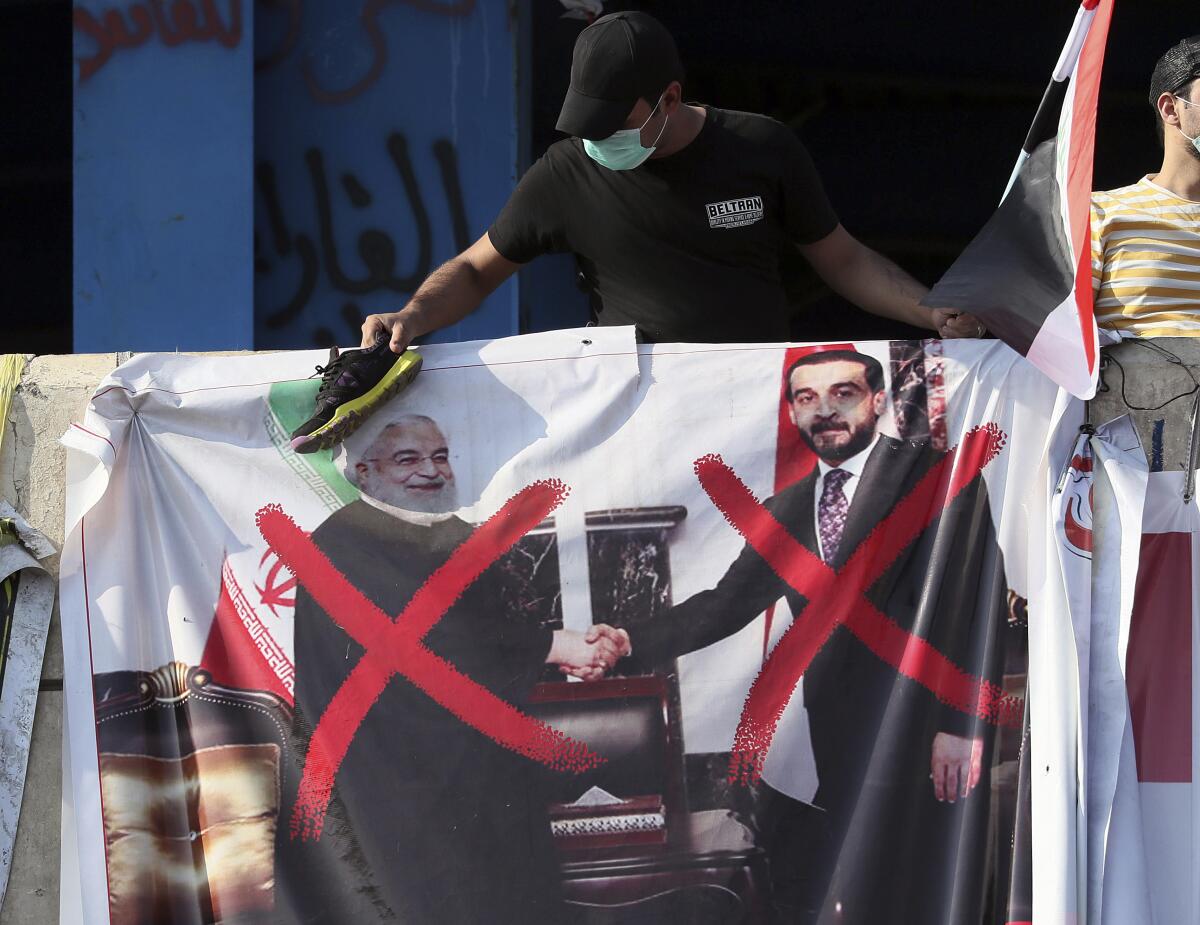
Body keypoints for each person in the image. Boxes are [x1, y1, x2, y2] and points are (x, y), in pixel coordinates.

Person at [609, 350, 1008, 923]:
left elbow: (976, 602)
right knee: (865, 892)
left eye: (842, 393)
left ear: (877, 401)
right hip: (839, 737)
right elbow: (724, 607)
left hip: (928, 731)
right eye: (806, 398)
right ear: (793, 415)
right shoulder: (788, 508)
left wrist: (961, 725)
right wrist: (625, 642)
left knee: (934, 889)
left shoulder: (938, 478)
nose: (825, 410)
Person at [359, 11, 984, 354]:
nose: (599, 140)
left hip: (758, 410)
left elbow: (842, 259)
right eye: (587, 125)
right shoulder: (565, 172)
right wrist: (414, 314)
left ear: (670, 99)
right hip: (641, 425)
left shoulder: (761, 148)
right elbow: (474, 270)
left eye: (614, 124)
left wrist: (928, 310)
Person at [275, 414, 623, 924]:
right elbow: (424, 649)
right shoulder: (340, 546)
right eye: (408, 459)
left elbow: (502, 636)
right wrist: (557, 646)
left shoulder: (455, 536)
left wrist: (593, 643)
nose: (430, 471)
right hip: (405, 795)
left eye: (439, 456)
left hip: (486, 786)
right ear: (364, 473)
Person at [1091, 35, 1200, 338]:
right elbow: (1051, 325)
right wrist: (979, 317)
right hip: (1133, 383)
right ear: (1170, 109)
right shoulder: (1098, 212)